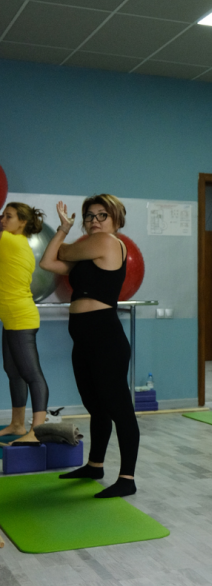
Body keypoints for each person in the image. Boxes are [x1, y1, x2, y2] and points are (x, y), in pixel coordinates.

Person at [39, 194, 139, 499]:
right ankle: (95, 465)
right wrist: (62, 228)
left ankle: (127, 478)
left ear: (116, 220)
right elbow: (48, 262)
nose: (94, 221)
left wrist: (67, 237)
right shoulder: (88, 251)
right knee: (95, 406)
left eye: (101, 215)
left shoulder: (107, 242)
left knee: (119, 407)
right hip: (84, 339)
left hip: (105, 338)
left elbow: (64, 252)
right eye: (89, 216)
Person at [0, 202, 50, 442]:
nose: (2, 219)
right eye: (3, 215)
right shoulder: (12, 242)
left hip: (21, 318)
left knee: (32, 375)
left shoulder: (10, 241)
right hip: (10, 318)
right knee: (13, 372)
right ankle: (18, 425)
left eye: (8, 216)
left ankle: (36, 432)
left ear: (22, 222)